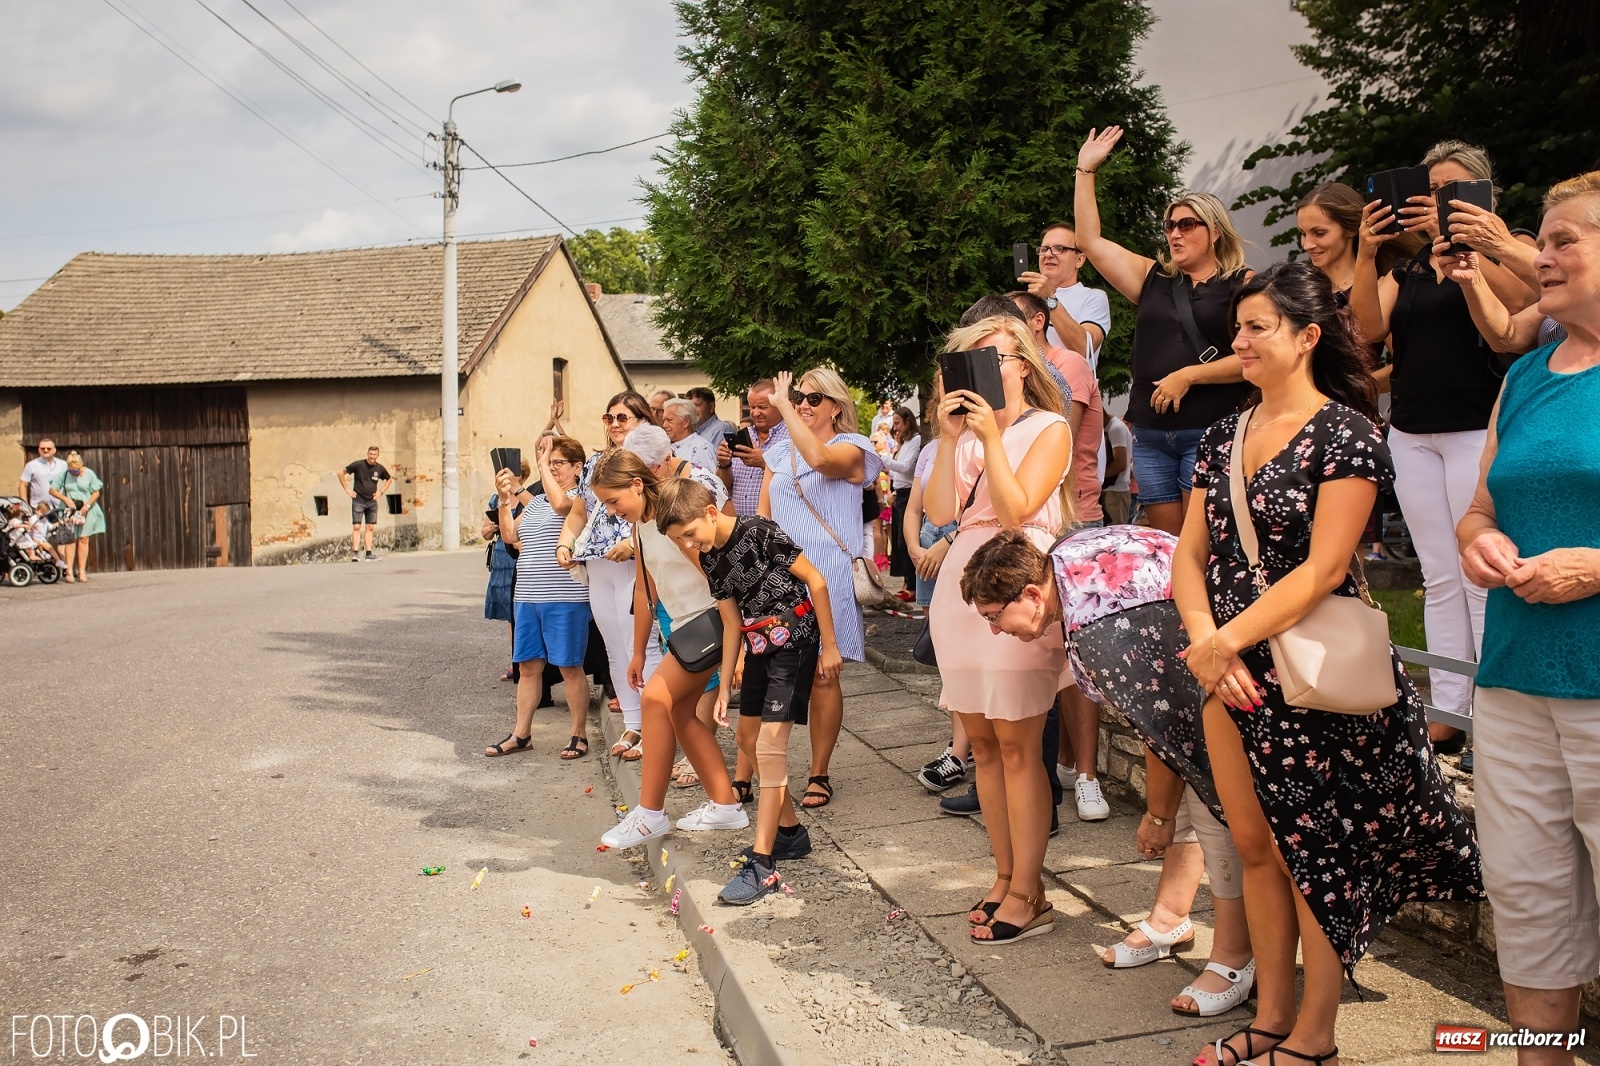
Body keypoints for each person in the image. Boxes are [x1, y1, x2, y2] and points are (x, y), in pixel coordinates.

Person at [1174, 262, 1481, 1066]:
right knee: (1252, 848)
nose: (1238, 341)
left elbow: (1322, 569)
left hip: (1309, 675)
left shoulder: (1345, 433)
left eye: (1257, 328)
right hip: (1227, 670)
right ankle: (1270, 1017)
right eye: (1236, 329)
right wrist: (1209, 647)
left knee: (1314, 853)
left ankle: (1315, 1036)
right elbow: (1188, 556)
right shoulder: (1222, 435)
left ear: (1307, 336)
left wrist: (1224, 641)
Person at [960, 525, 1256, 1019]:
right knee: (1193, 791)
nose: (995, 630)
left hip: (1230, 666)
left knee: (1213, 808)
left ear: (1033, 593)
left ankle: (1234, 958)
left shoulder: (1102, 629)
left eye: (995, 617)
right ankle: (1170, 918)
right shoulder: (1061, 563)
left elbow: (1164, 731)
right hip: (1204, 646)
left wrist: (1157, 818)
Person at [1457, 170, 1600, 1066]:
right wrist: (1478, 542)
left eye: (1562, 241)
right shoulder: (1525, 376)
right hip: (1513, 683)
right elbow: (1478, 509)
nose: (1536, 256)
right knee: (1529, 903)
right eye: (1538, 240)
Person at [1350, 140, 1535, 755]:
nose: (1438, 201)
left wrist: (1478, 249)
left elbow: (1523, 308)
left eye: (1454, 190)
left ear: (1483, 196)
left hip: (1476, 428)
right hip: (1412, 431)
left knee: (1480, 571)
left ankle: (1497, 704)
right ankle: (1450, 708)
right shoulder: (1409, 269)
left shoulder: (1513, 248)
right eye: (1433, 190)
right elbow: (1368, 328)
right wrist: (1368, 250)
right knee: (1438, 575)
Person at [925, 311, 1071, 945]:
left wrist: (987, 437)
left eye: (998, 356)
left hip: (1018, 579)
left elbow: (1017, 510)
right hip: (961, 581)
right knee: (982, 745)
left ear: (1023, 365)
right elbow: (936, 512)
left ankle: (1030, 888)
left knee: (1018, 745)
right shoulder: (960, 437)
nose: (987, 367)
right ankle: (1005, 873)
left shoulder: (1050, 427)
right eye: (973, 358)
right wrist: (948, 436)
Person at [659, 479, 844, 904]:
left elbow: (815, 580)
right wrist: (723, 686)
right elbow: (730, 623)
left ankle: (763, 865)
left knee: (769, 748)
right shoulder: (709, 560)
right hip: (758, 645)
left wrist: (830, 645)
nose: (689, 544)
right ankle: (791, 834)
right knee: (745, 738)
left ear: (709, 512)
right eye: (679, 540)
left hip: (796, 639)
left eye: (689, 533)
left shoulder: (759, 530)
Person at [1074, 126, 1253, 536]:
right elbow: (1088, 239)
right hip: (1152, 433)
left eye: (1187, 225)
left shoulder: (1243, 283)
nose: (1175, 233)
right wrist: (1085, 172)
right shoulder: (1152, 278)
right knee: (1169, 546)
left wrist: (1188, 375)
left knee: (1199, 540)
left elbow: (1255, 357)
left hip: (1209, 426)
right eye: (1170, 225)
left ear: (1215, 232)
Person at [594, 450, 750, 849]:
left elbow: (717, 578)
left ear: (635, 484)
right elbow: (647, 590)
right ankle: (725, 804)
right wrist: (635, 652)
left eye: (614, 501)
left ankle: (649, 815)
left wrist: (742, 642)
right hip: (685, 628)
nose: (612, 511)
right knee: (680, 713)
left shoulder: (672, 515)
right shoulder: (640, 527)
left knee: (655, 701)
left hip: (710, 623)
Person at [761, 366, 883, 810]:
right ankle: (769, 769)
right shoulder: (778, 451)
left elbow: (819, 460)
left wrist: (783, 411)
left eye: (814, 399)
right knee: (779, 673)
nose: (804, 405)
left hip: (828, 575)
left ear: (836, 406)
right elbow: (765, 517)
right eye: (798, 398)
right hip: (783, 575)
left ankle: (819, 771)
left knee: (823, 676)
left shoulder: (854, 447)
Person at [1008, 287, 1110, 819]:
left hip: (1072, 516)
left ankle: (1089, 775)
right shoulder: (1003, 380)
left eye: (1014, 323)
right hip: (1023, 521)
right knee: (1033, 648)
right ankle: (1060, 766)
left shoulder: (1066, 364)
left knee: (1077, 657)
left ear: (1039, 323)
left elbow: (1058, 438)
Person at [553, 391, 659, 762]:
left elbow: (661, 507)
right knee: (614, 644)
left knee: (640, 645)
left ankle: (654, 724)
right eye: (609, 417)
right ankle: (633, 720)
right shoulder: (596, 462)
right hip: (597, 563)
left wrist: (635, 544)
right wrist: (565, 543)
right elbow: (579, 512)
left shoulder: (650, 459)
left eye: (623, 418)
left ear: (642, 419)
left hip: (635, 561)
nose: (614, 424)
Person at [486, 436, 591, 759]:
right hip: (528, 597)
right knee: (528, 668)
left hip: (565, 597)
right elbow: (510, 536)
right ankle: (521, 734)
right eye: (549, 462)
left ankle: (578, 734)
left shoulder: (580, 498)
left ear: (577, 467)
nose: (552, 467)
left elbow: (564, 508)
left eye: (558, 462)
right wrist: (505, 499)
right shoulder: (538, 502)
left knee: (569, 667)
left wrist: (541, 463)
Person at [1019, 220, 1114, 371]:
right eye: (1044, 249)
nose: (1049, 254)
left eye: (1059, 249)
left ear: (1080, 259)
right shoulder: (1025, 299)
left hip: (1070, 390)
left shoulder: (1093, 297)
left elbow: (1084, 348)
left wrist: (1049, 298)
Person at [482, 459, 532, 681]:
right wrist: (493, 527)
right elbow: (483, 532)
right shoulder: (496, 499)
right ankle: (516, 663)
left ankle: (525, 664)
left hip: (520, 557)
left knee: (521, 613)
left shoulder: (527, 497)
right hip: (501, 558)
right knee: (510, 615)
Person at [716, 379, 788, 517]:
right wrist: (724, 465)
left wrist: (763, 462)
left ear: (779, 405)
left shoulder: (792, 438)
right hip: (741, 528)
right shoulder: (744, 436)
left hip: (775, 528)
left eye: (762, 407)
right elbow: (724, 488)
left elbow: (797, 483)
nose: (755, 413)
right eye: (752, 407)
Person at [880, 406, 922, 586]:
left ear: (908, 422)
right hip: (900, 493)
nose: (895, 427)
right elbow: (899, 473)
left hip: (910, 493)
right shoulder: (904, 444)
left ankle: (912, 584)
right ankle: (907, 581)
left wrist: (884, 459)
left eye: (898, 423)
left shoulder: (916, 440)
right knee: (899, 541)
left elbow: (906, 468)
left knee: (906, 540)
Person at [49, 452, 104, 584]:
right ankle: (69, 571)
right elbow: (52, 490)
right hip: (69, 510)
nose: (75, 472)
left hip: (85, 509)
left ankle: (82, 570)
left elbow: (96, 491)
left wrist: (88, 505)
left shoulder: (89, 473)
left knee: (84, 539)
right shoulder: (64, 475)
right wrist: (65, 498)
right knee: (70, 540)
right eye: (72, 470)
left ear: (82, 466)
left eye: (77, 470)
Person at [338, 446, 391, 562]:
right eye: (370, 454)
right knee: (357, 526)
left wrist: (380, 492)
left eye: (374, 454)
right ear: (367, 454)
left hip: (372, 501)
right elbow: (340, 473)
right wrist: (347, 490)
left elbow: (389, 479)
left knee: (370, 527)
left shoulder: (380, 468)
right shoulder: (358, 465)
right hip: (358, 500)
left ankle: (368, 554)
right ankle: (355, 554)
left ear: (378, 455)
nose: (372, 456)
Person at [659, 397, 719, 473]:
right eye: (664, 420)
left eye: (669, 420)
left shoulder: (702, 447)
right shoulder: (665, 445)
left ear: (686, 422)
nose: (664, 425)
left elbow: (710, 481)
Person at [18, 438, 66, 509]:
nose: (45, 450)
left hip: (59, 506)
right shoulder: (31, 465)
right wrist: (24, 506)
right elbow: (23, 485)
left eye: (48, 448)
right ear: (39, 450)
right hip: (38, 507)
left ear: (54, 450)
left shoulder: (63, 465)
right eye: (42, 448)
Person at [1102, 416, 1132, 525]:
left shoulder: (1116, 429)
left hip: (1116, 491)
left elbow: (1120, 464)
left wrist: (1099, 478)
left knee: (1114, 530)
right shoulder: (1109, 428)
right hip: (1108, 490)